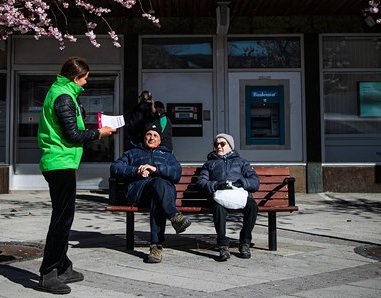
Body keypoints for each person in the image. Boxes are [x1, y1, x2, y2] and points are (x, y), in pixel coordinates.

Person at [36, 56, 116, 294]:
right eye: (84, 79)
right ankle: (48, 272)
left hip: (60, 162)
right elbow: (73, 135)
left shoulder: (61, 92)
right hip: (59, 163)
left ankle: (63, 266)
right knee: (61, 221)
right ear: (75, 77)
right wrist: (100, 133)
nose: (85, 83)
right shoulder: (63, 97)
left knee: (64, 217)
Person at [110, 122, 191, 263]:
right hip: (140, 192)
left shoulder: (167, 156)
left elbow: (176, 173)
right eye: (149, 134)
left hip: (161, 194)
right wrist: (136, 170)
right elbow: (115, 168)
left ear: (160, 140)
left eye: (155, 135)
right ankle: (174, 217)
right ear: (144, 137)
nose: (151, 138)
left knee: (158, 191)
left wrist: (155, 169)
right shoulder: (132, 153)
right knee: (157, 186)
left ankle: (156, 248)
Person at [195, 133, 259, 262]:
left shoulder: (242, 162)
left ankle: (245, 242)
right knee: (218, 208)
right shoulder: (209, 164)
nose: (219, 146)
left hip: (238, 194)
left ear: (230, 146)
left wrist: (242, 182)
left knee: (252, 205)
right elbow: (201, 182)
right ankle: (223, 245)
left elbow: (255, 181)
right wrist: (216, 185)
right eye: (216, 144)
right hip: (219, 196)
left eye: (222, 144)